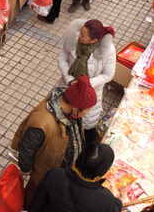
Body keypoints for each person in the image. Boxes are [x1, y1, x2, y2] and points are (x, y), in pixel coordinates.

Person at [11, 75, 98, 209]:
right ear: (75, 108)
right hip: (41, 176)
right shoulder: (41, 123)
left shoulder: (69, 112)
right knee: (33, 200)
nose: (87, 113)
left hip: (57, 171)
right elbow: (26, 150)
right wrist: (28, 172)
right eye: (87, 110)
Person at [58, 19, 116, 132]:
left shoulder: (108, 51)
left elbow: (108, 75)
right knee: (60, 120)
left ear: (93, 40)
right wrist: (69, 79)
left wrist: (87, 84)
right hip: (67, 87)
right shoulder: (73, 40)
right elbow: (62, 58)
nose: (79, 37)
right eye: (80, 32)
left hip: (90, 95)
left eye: (83, 36)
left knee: (81, 127)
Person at [30, 143, 122, 212]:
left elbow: (36, 205)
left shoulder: (55, 175)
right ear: (102, 173)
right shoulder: (106, 201)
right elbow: (116, 207)